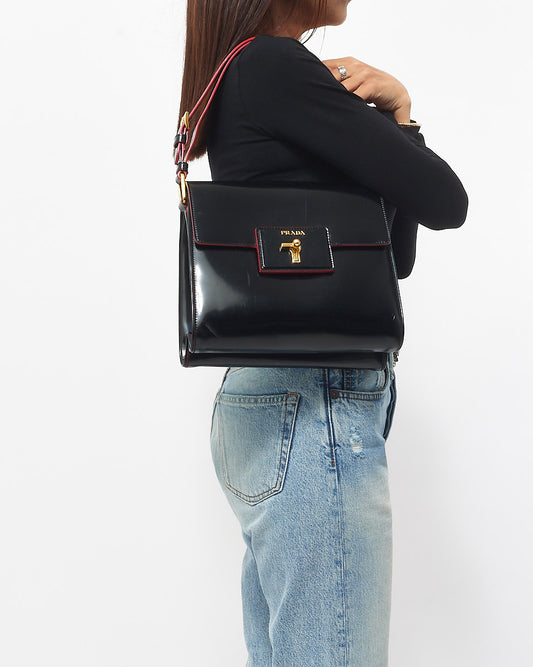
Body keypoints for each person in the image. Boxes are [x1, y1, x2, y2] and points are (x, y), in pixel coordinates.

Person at [177, 1, 468, 665]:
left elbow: (393, 256)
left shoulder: (248, 72)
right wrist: (400, 118)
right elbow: (446, 200)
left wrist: (400, 117)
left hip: (275, 402)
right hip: (313, 406)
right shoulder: (274, 65)